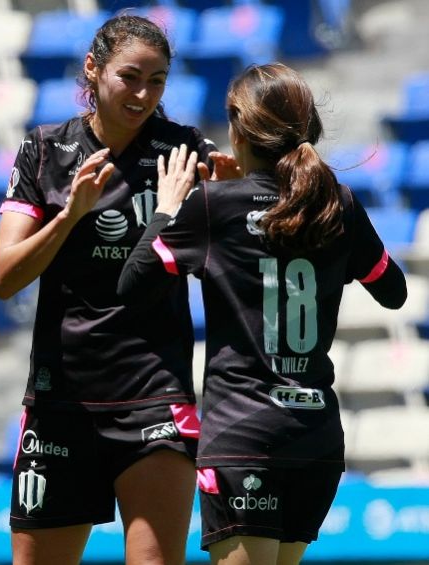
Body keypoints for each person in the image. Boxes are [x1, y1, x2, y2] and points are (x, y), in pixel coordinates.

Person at [117, 63, 407, 565]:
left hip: (243, 436)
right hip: (315, 435)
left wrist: (168, 207)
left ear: (238, 129)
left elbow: (132, 287)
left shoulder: (212, 206)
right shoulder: (337, 203)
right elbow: (394, 292)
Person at [0, 14, 219, 565]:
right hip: (60, 399)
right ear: (93, 70)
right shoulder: (45, 150)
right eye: (130, 76)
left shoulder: (184, 152)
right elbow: (4, 277)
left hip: (154, 395)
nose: (144, 93)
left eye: (158, 80)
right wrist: (70, 214)